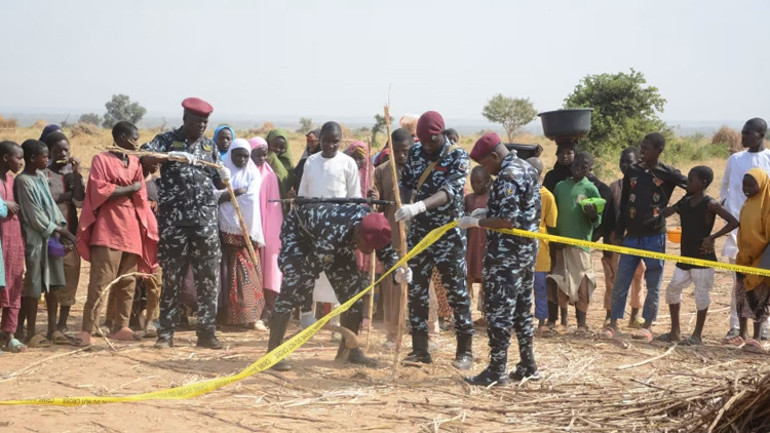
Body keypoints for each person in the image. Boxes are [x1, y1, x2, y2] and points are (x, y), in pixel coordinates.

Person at [266, 204, 412, 371]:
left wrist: (398, 272)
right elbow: (307, 273)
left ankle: (349, 351)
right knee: (292, 287)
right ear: (358, 233)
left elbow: (387, 252)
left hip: (337, 237)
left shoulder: (375, 226)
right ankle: (273, 353)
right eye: (366, 246)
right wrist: (306, 311)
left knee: (353, 294)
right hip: (299, 233)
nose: (370, 251)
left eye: (373, 248)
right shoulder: (332, 238)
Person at [143, 97, 231, 350]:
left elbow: (218, 181)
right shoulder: (166, 140)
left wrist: (223, 175)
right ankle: (166, 333)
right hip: (175, 222)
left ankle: (207, 333)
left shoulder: (209, 147)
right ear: (185, 119)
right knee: (172, 278)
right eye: (196, 121)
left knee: (208, 278)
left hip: (205, 222)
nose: (201, 126)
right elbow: (145, 156)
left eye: (205, 122)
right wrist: (167, 156)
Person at [460, 132, 541, 386]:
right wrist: (488, 211)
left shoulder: (507, 175)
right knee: (522, 311)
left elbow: (507, 220)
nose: (486, 171)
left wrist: (477, 222)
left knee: (499, 313)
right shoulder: (526, 168)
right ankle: (528, 365)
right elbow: (520, 210)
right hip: (526, 254)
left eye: (485, 164)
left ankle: (496, 371)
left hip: (506, 256)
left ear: (495, 156)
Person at [395, 111, 474, 369]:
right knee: (416, 292)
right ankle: (420, 350)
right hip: (419, 234)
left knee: (456, 293)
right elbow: (406, 183)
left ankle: (464, 352)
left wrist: (419, 206)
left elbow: (448, 192)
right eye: (423, 141)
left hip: (447, 235)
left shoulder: (458, 156)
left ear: (441, 134)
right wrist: (405, 205)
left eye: (432, 141)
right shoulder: (416, 153)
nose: (427, 147)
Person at [75, 121, 159, 346]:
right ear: (121, 137)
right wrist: (129, 189)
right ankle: (88, 329)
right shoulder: (101, 160)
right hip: (108, 228)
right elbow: (98, 190)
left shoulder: (134, 162)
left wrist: (123, 190)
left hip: (132, 228)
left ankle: (121, 326)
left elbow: (140, 194)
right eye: (134, 138)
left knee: (128, 281)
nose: (137, 143)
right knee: (100, 281)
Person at [603, 133, 687, 340]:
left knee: (653, 282)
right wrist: (620, 232)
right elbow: (624, 203)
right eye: (641, 147)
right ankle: (613, 324)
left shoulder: (667, 173)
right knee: (621, 280)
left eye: (646, 148)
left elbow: (693, 188)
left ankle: (647, 325)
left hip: (654, 236)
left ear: (659, 150)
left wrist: (675, 208)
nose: (642, 151)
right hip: (632, 236)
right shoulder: (633, 171)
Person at [656, 166, 738, 345]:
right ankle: (675, 332)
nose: (688, 182)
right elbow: (667, 212)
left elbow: (733, 222)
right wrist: (655, 207)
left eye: (691, 180)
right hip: (685, 255)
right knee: (673, 290)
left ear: (703, 183)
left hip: (702, 257)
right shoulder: (686, 201)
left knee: (701, 295)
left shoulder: (710, 203)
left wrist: (712, 237)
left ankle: (697, 335)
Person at [297, 122, 362, 330]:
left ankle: (337, 324)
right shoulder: (311, 162)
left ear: (340, 141)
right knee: (311, 275)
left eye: (335, 142)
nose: (331, 146)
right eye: (326, 141)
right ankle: (307, 320)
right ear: (320, 140)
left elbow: (355, 199)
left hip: (339, 232)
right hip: (313, 230)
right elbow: (303, 196)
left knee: (338, 278)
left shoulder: (348, 163)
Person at [15, 139, 74, 348]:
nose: (47, 160)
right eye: (44, 156)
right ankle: (31, 332)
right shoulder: (23, 181)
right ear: (32, 158)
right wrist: (58, 229)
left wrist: (60, 227)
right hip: (36, 239)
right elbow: (34, 215)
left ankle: (52, 329)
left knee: (54, 283)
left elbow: (51, 206)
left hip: (52, 238)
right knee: (34, 284)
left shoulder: (41, 176)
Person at [721, 118, 770, 340]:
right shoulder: (735, 159)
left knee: (763, 284)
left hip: (764, 233)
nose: (743, 137)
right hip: (738, 232)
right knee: (739, 282)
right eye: (742, 133)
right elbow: (725, 188)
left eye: (748, 133)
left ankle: (764, 329)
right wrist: (730, 211)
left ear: (761, 134)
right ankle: (736, 327)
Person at [546, 152, 601, 333]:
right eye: (576, 164)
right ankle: (563, 322)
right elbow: (553, 215)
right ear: (572, 164)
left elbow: (597, 221)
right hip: (561, 244)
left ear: (589, 170)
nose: (579, 169)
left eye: (584, 167)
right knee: (562, 284)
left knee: (583, 285)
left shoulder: (590, 189)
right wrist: (553, 238)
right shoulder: (560, 187)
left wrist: (593, 216)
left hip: (581, 245)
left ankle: (582, 324)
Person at [370, 128, 413, 346]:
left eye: (406, 151)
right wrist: (373, 198)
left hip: (417, 238)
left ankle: (426, 334)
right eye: (397, 152)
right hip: (393, 238)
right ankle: (393, 333)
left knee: (420, 285)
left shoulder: (420, 170)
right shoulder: (382, 171)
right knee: (392, 286)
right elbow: (377, 203)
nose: (402, 156)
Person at [217, 138, 265, 328]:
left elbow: (251, 200)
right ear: (231, 155)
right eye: (238, 155)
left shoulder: (253, 173)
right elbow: (215, 195)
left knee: (247, 274)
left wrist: (229, 196)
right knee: (226, 275)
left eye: (245, 156)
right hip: (225, 232)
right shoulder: (223, 171)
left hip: (247, 233)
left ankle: (248, 317)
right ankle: (225, 317)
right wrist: (234, 193)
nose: (242, 159)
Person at [43, 131, 85, 340]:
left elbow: (79, 202)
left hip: (70, 236)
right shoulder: (44, 174)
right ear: (49, 152)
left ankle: (63, 324)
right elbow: (46, 201)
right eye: (58, 150)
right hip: (49, 236)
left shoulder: (72, 176)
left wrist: (77, 174)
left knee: (70, 279)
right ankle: (51, 325)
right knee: (52, 283)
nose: (63, 154)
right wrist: (64, 196)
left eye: (66, 150)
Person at [604, 147, 645, 328]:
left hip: (636, 237)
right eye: (622, 161)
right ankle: (610, 315)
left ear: (639, 162)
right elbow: (609, 216)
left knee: (638, 274)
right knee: (613, 276)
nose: (625, 165)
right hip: (616, 238)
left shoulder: (644, 186)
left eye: (630, 162)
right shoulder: (614, 187)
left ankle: (635, 316)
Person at [734, 168, 770, 352]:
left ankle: (756, 338)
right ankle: (743, 334)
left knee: (758, 299)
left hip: (761, 259)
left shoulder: (767, 205)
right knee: (741, 296)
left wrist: (764, 264)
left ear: (762, 184)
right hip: (744, 258)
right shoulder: (747, 204)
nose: (746, 188)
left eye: (751, 184)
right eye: (744, 184)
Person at [251, 138, 283, 329]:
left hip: (268, 228)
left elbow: (274, 209)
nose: (261, 158)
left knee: (270, 267)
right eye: (257, 154)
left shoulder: (270, 176)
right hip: (247, 228)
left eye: (265, 155)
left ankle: (268, 311)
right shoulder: (244, 172)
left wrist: (266, 232)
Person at [525, 157, 557, 334]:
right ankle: (521, 318)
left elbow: (551, 222)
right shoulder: (520, 192)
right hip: (520, 246)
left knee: (540, 286)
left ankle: (542, 320)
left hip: (540, 248)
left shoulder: (547, 196)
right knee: (522, 286)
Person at [0, 141, 26, 352]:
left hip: (13, 241)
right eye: (19, 158)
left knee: (14, 284)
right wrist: (3, 205)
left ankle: (9, 334)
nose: (21, 162)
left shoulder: (12, 181)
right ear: (5, 158)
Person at [464, 166, 491, 315]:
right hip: (471, 246)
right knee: (467, 276)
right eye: (473, 182)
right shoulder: (468, 199)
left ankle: (485, 313)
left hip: (487, 247)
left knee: (487, 280)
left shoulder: (493, 199)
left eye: (479, 182)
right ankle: (464, 312)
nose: (475, 185)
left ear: (487, 181)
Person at [265, 129, 296, 199]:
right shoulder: (260, 160)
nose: (277, 149)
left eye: (282, 147)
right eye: (274, 145)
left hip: (282, 203)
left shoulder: (288, 164)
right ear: (268, 143)